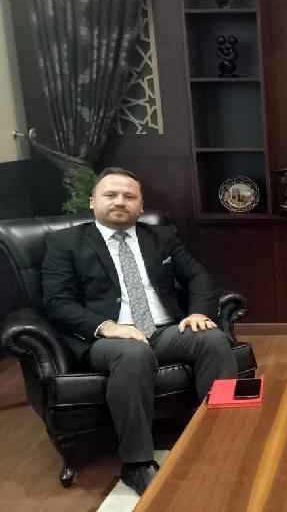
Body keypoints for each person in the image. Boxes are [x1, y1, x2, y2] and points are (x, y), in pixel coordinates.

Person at [41, 167, 237, 494]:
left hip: (164, 329)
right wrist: (107, 327)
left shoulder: (161, 237)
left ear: (141, 205)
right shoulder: (65, 242)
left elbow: (198, 276)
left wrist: (198, 313)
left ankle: (225, 438)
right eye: (111, 194)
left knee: (212, 339)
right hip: (106, 338)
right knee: (133, 353)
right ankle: (137, 463)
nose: (120, 201)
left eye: (129, 196)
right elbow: (58, 302)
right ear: (92, 201)